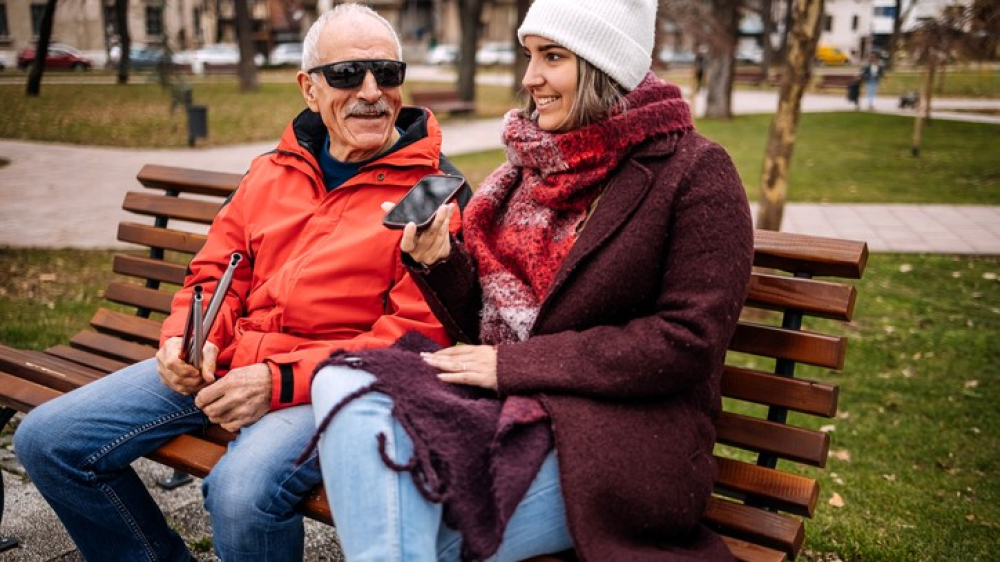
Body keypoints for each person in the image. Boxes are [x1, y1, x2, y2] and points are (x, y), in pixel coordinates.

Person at [306, 0, 754, 560]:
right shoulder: (526, 168)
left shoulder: (693, 172)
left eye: (553, 57)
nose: (529, 77)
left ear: (603, 65)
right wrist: (441, 260)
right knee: (340, 382)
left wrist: (514, 366)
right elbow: (488, 320)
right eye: (529, 55)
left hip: (619, 437)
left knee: (415, 536)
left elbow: (687, 341)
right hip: (508, 408)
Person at [14, 4, 461, 561]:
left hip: (324, 388)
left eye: (387, 73)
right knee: (47, 439)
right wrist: (184, 338)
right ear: (309, 88)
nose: (371, 90)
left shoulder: (434, 194)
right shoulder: (272, 170)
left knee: (239, 493)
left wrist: (275, 381)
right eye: (347, 74)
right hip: (224, 363)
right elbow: (210, 271)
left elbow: (411, 340)